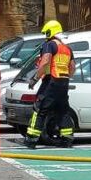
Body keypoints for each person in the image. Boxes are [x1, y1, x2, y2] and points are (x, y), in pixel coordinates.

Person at [25, 20, 76, 148]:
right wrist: (65, 76)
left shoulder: (49, 45)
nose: (45, 36)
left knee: (40, 109)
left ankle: (31, 139)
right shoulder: (67, 48)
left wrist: (35, 78)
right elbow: (72, 68)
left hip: (51, 81)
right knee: (62, 110)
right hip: (63, 82)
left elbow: (45, 61)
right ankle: (67, 139)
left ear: (50, 32)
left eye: (46, 33)